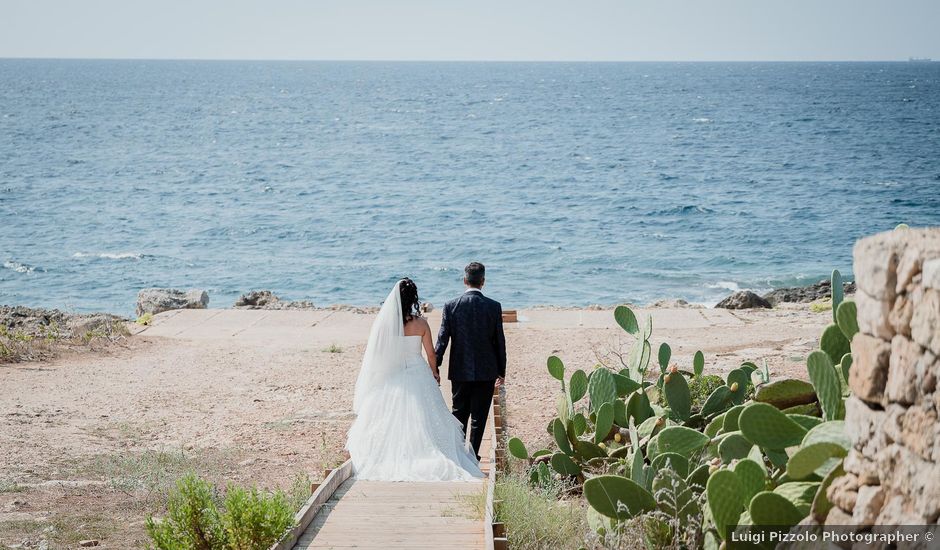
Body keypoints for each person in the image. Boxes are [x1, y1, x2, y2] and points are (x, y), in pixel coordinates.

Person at [346, 278, 482, 481]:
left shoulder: (386, 325)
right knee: (424, 417)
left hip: (394, 374)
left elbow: (379, 353)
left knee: (390, 418)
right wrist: (435, 373)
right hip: (418, 373)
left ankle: (394, 454)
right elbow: (431, 354)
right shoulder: (421, 324)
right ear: (413, 299)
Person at [435, 262, 507, 460]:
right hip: (486, 370)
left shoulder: (451, 306)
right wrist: (502, 371)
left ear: (464, 280)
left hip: (459, 370)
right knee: (479, 415)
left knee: (459, 413)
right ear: (483, 281)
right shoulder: (493, 307)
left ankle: (458, 455)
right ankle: (473, 456)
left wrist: (436, 365)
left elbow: (442, 339)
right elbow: (499, 341)